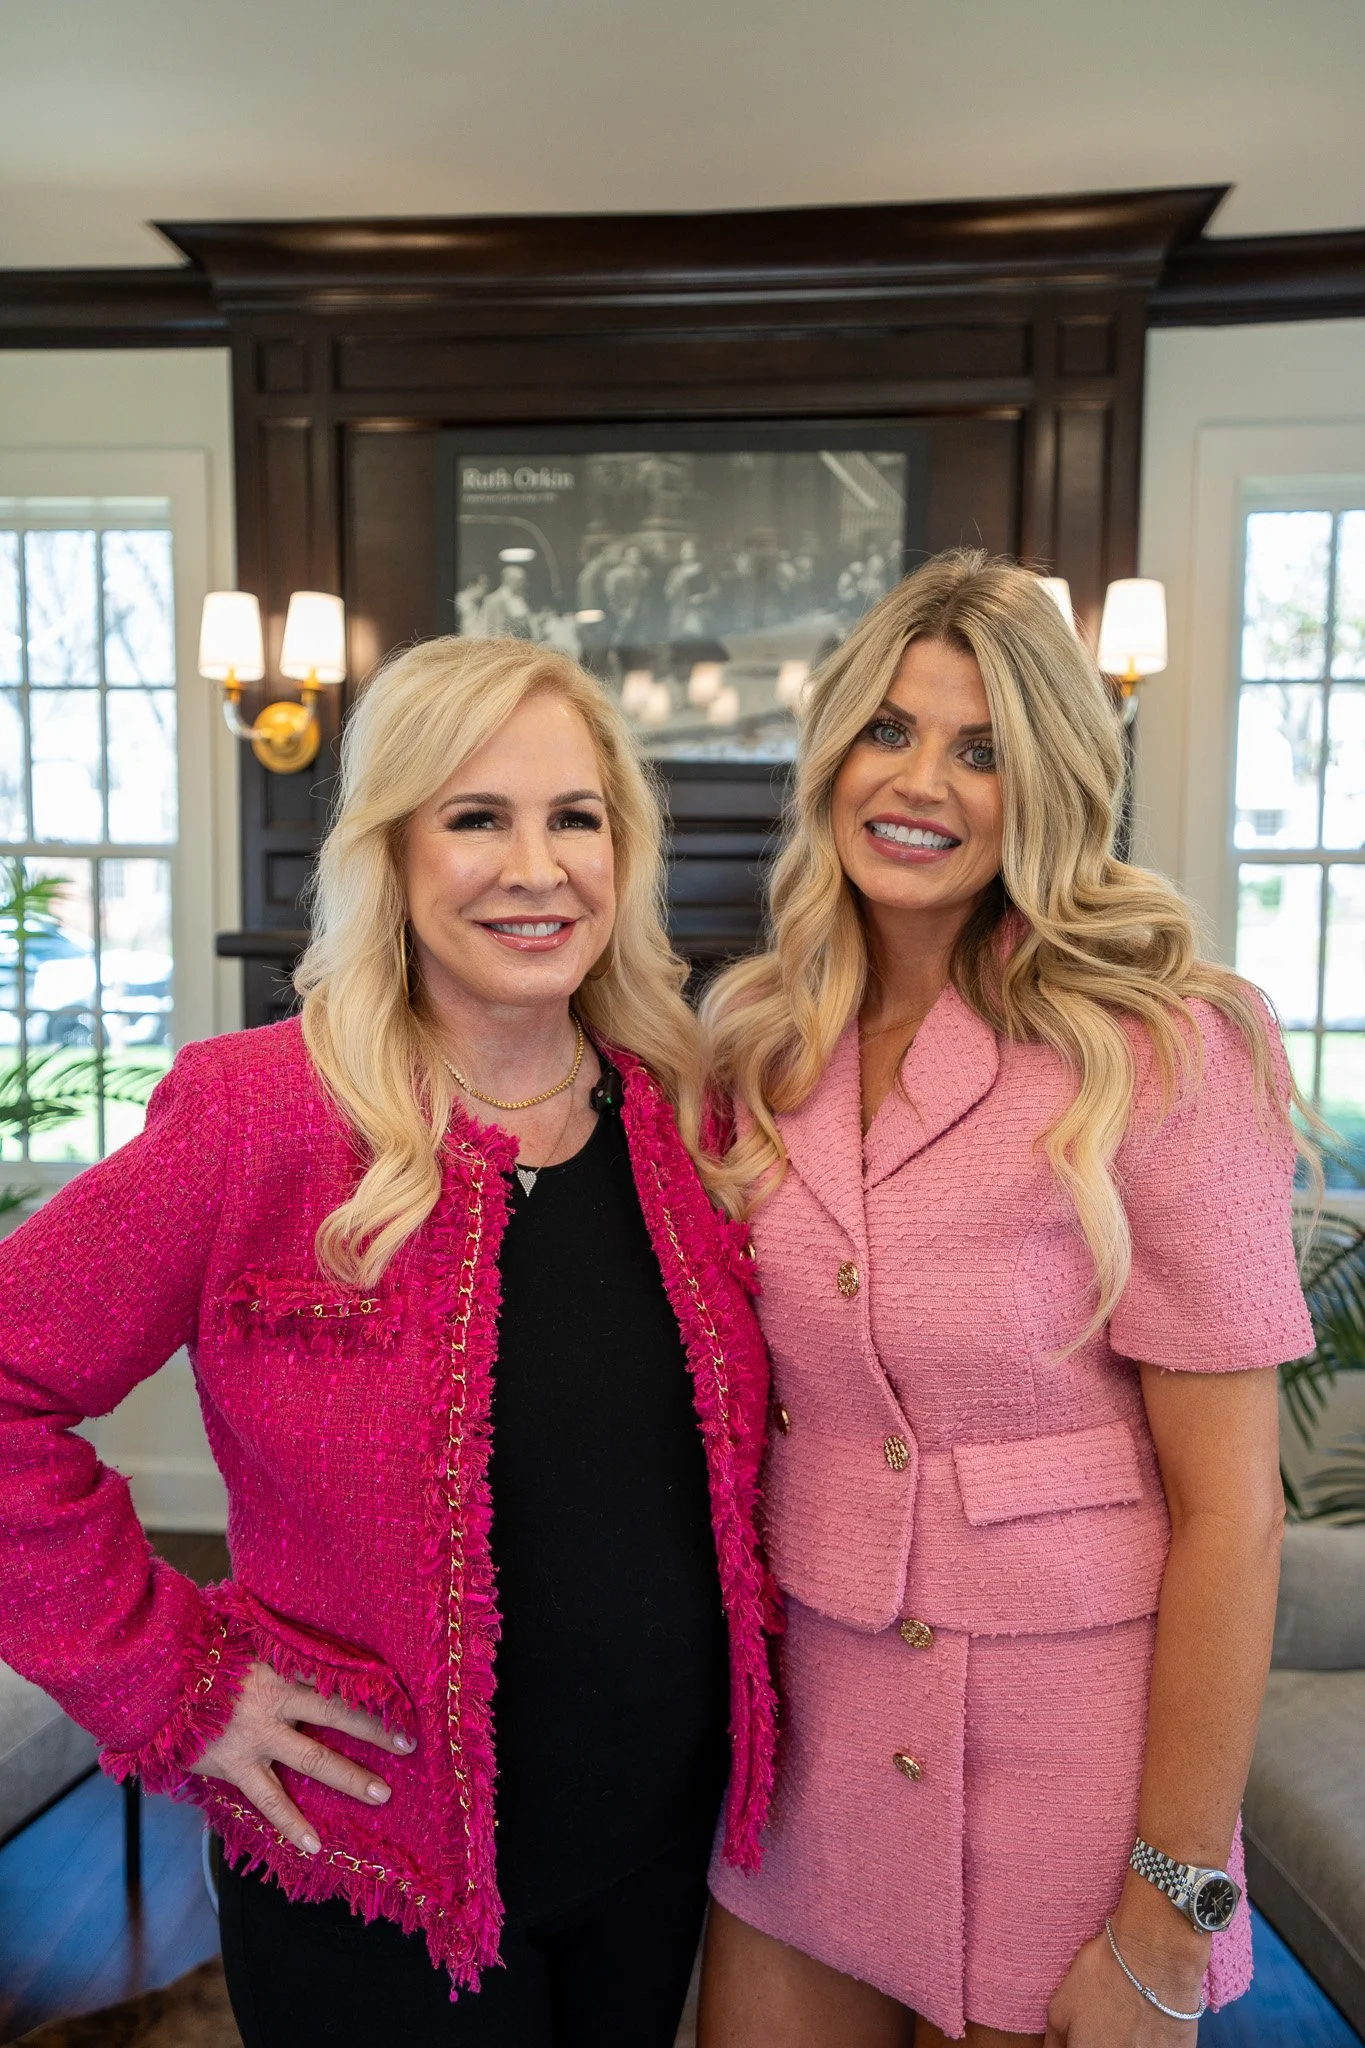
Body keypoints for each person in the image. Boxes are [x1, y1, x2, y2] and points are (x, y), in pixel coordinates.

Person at [0, 637, 778, 2048]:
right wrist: (173, 1681)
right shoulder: (260, 1120)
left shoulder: (690, 1114)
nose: (535, 868)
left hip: (663, 1859)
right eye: (476, 817)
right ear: (394, 853)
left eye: (576, 818)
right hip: (371, 1873)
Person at [696, 551, 1313, 2047]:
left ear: (1050, 782)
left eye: (984, 748)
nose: (924, 781)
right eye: (890, 730)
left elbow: (1236, 1515)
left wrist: (1173, 1911)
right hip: (807, 1758)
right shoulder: (755, 1041)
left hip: (1075, 1781)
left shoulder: (1166, 1048)